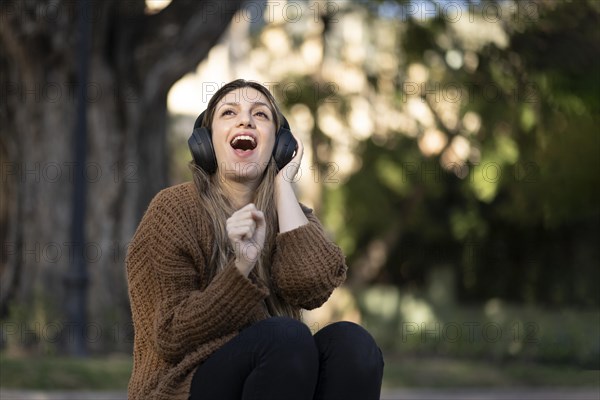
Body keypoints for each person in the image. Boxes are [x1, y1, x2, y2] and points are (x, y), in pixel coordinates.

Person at [126, 79, 384, 400]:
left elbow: (311, 286)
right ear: (205, 142)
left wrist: (283, 184)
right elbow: (171, 335)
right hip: (183, 386)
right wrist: (242, 266)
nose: (245, 120)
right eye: (229, 113)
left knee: (353, 344)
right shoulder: (174, 210)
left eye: (261, 115)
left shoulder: (290, 214)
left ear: (280, 144)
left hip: (276, 373)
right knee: (286, 336)